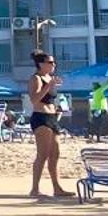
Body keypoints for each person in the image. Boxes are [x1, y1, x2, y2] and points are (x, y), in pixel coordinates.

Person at [26, 51, 71, 200]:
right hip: (41, 118)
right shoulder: (36, 78)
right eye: (50, 62)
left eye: (54, 62)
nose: (53, 65)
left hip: (52, 117)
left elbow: (49, 100)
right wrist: (49, 86)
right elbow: (34, 99)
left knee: (55, 154)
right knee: (42, 155)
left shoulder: (49, 78)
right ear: (41, 64)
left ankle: (57, 187)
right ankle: (34, 189)